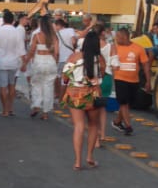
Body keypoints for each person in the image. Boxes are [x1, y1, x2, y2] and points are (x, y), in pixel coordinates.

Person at [61, 33, 107, 170]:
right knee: (93, 125)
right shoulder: (100, 59)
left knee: (79, 126)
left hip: (75, 94)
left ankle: (77, 162)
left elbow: (64, 77)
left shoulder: (74, 57)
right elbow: (102, 75)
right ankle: (90, 157)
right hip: (93, 94)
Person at [110, 27, 150, 136]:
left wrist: (148, 81)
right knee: (123, 102)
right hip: (119, 79)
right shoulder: (115, 48)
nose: (116, 39)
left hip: (134, 81)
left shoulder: (138, 49)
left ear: (124, 37)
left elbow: (145, 64)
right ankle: (128, 126)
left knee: (128, 104)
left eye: (118, 37)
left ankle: (117, 122)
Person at [0, 9, 25, 117]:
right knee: (12, 85)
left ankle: (4, 110)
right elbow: (22, 50)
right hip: (14, 63)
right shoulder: (17, 32)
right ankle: (10, 108)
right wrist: (25, 63)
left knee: (3, 87)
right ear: (13, 20)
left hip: (1, 63)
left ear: (3, 20)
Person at [21, 14, 58, 120]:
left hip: (39, 62)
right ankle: (45, 113)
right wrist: (54, 62)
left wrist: (25, 63)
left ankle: (36, 106)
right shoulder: (54, 36)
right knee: (48, 87)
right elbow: (56, 53)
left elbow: (32, 51)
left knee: (36, 85)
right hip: (50, 62)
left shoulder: (37, 35)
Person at [54, 18, 76, 101]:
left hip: (60, 59)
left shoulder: (56, 33)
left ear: (58, 25)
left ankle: (59, 96)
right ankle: (65, 98)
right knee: (68, 79)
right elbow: (74, 42)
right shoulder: (70, 30)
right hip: (70, 58)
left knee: (59, 77)